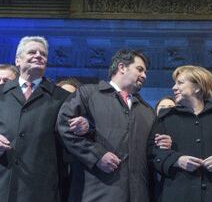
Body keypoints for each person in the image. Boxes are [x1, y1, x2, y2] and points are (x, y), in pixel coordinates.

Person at [0, 36, 70, 202]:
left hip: (38, 189)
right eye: (32, 52)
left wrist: (86, 126)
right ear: (18, 60)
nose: (38, 55)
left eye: (43, 54)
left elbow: (74, 135)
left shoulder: (62, 97)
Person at [57, 49, 171, 202]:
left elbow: (152, 153)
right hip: (96, 194)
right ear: (122, 67)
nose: (144, 75)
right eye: (140, 69)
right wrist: (97, 156)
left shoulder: (147, 111)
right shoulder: (88, 94)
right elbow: (64, 125)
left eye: (145, 72)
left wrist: (163, 145)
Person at [149, 65, 212, 202]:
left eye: (180, 83)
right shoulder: (165, 118)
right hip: (178, 195)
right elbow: (152, 154)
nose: (174, 88)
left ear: (198, 87)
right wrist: (177, 160)